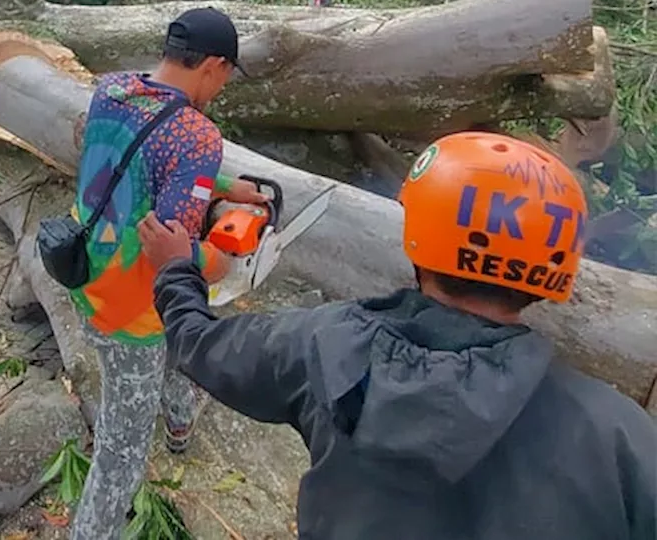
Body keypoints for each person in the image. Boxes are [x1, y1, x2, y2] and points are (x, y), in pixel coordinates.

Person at [137, 131, 657, 540]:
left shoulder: (323, 344)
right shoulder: (624, 438)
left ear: (417, 238)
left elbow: (200, 345)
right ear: (552, 273)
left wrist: (176, 271)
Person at [68, 6, 268, 540]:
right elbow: (170, 254)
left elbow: (145, 154)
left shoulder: (112, 89)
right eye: (226, 77)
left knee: (181, 329)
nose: (222, 87)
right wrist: (222, 261)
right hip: (129, 306)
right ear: (215, 66)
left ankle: (180, 420)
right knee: (121, 449)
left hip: (83, 265)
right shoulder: (198, 134)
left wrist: (225, 188)